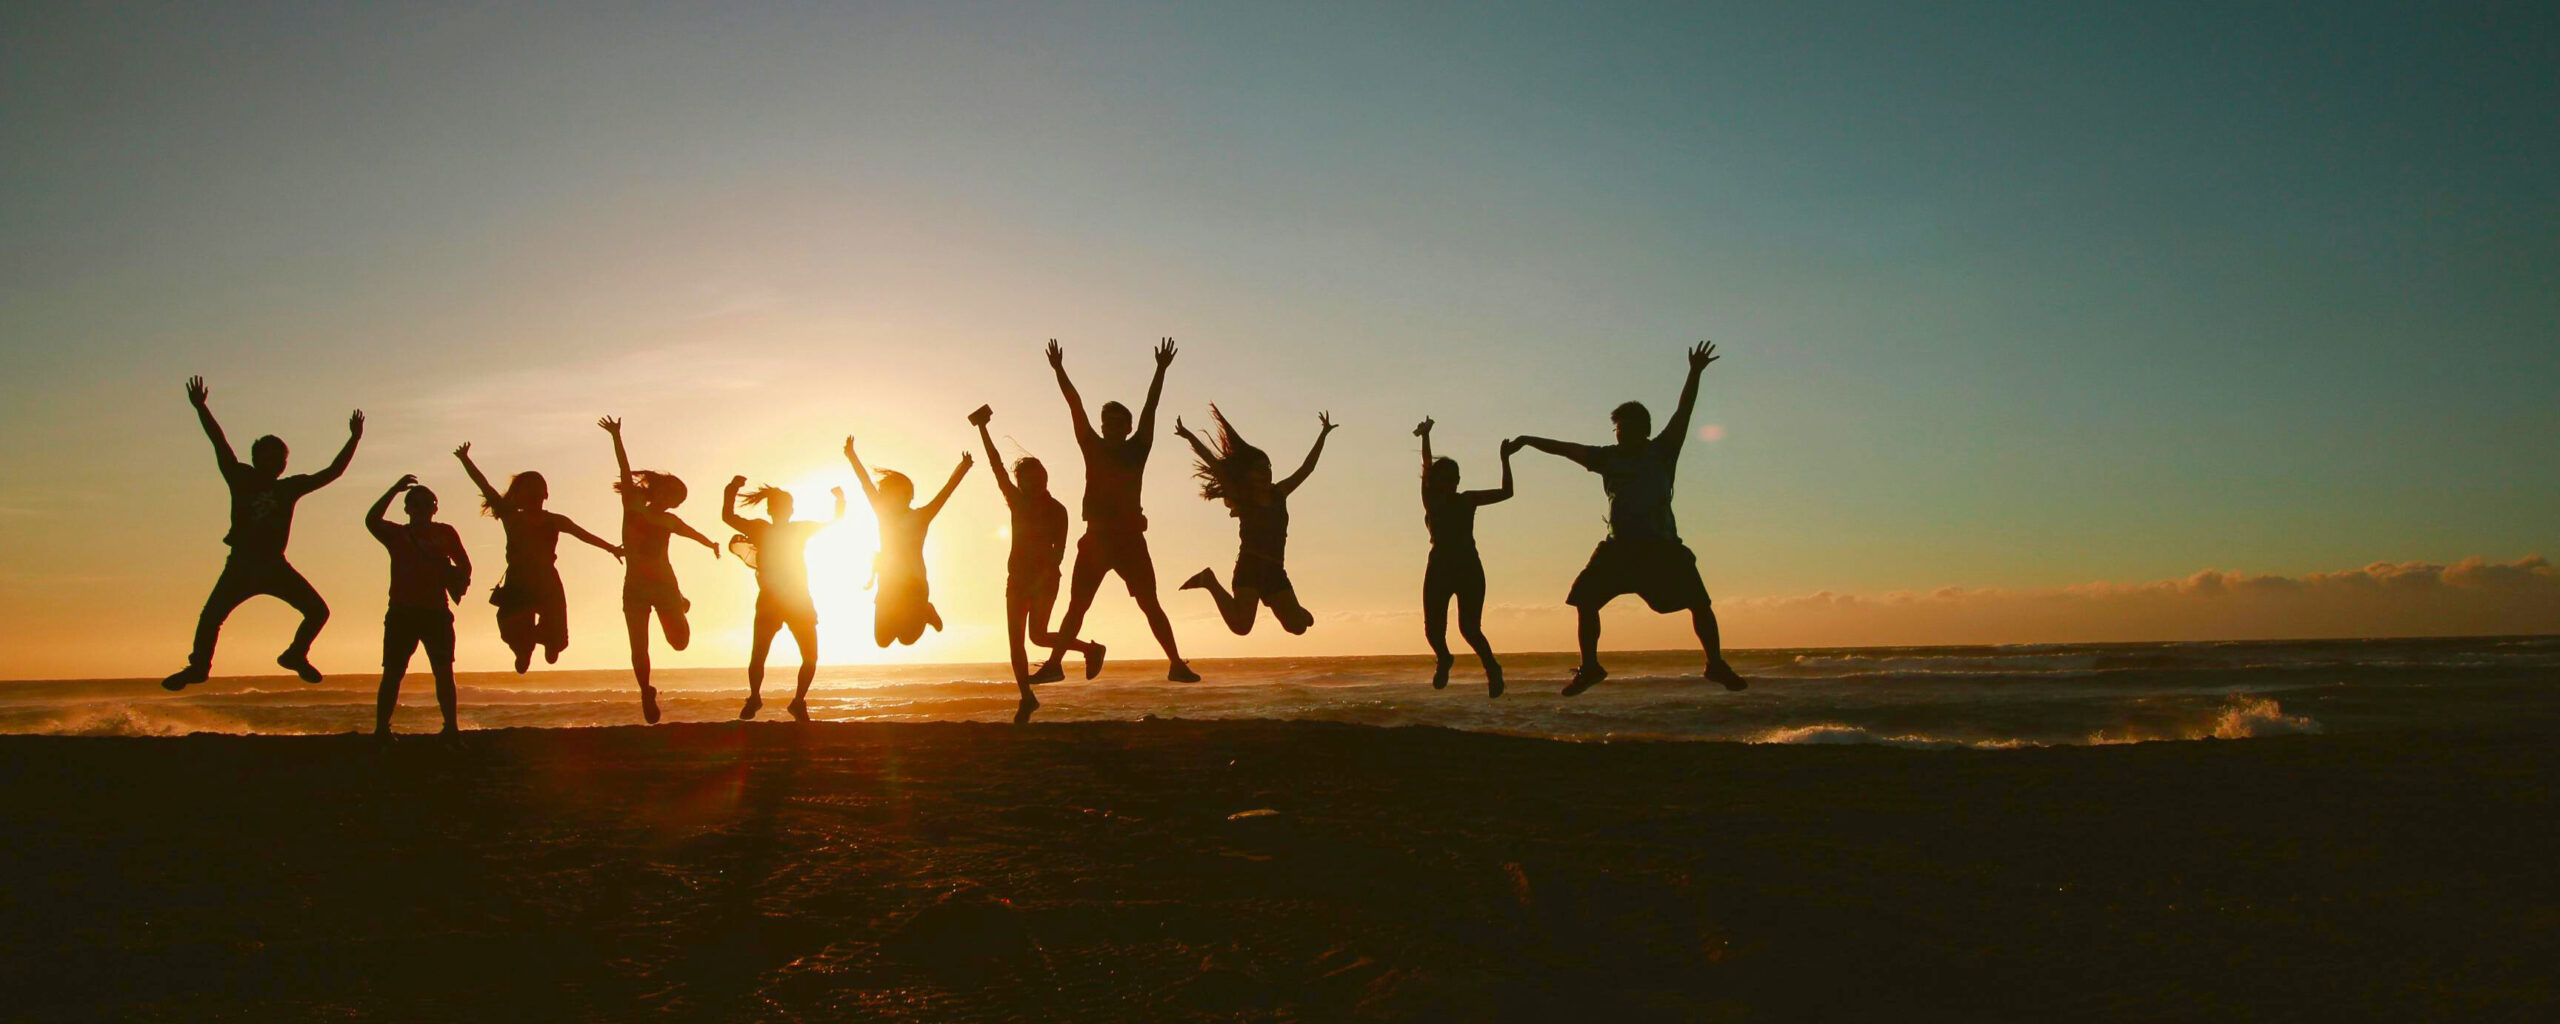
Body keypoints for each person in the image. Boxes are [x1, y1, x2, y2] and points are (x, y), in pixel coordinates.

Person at [1512, 341, 1747, 695]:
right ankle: (1590, 667)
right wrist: (1529, 440)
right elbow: (1565, 448)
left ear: (1642, 429)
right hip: (1619, 549)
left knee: (1699, 602)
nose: (1619, 433)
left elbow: (1684, 411)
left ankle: (1715, 663)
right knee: (1585, 600)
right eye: (1617, 428)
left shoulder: (1663, 451)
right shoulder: (1607, 457)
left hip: (1661, 547)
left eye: (1623, 427)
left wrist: (1694, 372)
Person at [163, 376, 363, 690]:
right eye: (267, 456)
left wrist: (354, 438)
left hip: (274, 565)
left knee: (317, 611)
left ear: (284, 464)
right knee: (211, 617)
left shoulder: (290, 487)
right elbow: (219, 442)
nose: (274, 462)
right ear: (256, 459)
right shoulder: (240, 476)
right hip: (242, 564)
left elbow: (333, 472)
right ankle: (199, 667)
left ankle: (295, 655)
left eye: (279, 458)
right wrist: (202, 408)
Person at [1033, 339, 1199, 683]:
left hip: (1129, 540)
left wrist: (1160, 369)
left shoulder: (1137, 449)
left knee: (1150, 604)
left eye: (1115, 421)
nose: (1108, 425)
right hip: (1095, 539)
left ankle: (1176, 664)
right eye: (1105, 421)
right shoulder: (1091, 446)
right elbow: (1074, 405)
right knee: (1077, 607)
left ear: (1126, 427)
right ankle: (1054, 665)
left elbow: (1151, 410)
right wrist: (1059, 370)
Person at [971, 405, 1106, 718]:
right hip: (1016, 579)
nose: (1034, 484)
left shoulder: (1058, 510)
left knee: (1038, 636)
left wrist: (1044, 576)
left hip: (1044, 579)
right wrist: (982, 429)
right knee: (1018, 641)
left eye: (1038, 478)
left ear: (1045, 478)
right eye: (1027, 480)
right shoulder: (1017, 503)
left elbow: (1060, 552)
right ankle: (1026, 697)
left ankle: (1090, 649)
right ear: (1022, 483)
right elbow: (996, 467)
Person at [453, 443, 623, 674]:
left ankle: (548, 642)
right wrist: (465, 460)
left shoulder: (554, 520)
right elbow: (484, 485)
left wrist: (611, 548)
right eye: (527, 489)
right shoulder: (512, 517)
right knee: (514, 630)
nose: (533, 493)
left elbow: (584, 535)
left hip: (547, 582)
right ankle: (524, 650)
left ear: (545, 494)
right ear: (519, 495)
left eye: (538, 488)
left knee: (558, 638)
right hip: (518, 581)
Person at [1173, 407, 1336, 636]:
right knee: (1241, 627)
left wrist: (1323, 434)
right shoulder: (1243, 497)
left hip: (1274, 570)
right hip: (1250, 567)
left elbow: (1306, 468)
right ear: (1248, 473)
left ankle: (1296, 611)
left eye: (1268, 467)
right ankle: (1209, 581)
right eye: (1260, 469)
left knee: (1298, 627)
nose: (1266, 472)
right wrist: (1190, 437)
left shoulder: (1280, 493)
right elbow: (1215, 466)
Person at [598, 416, 719, 724]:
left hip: (665, 586)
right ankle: (645, 692)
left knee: (680, 643)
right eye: (670, 495)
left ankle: (680, 602)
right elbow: (625, 471)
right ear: (658, 491)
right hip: (635, 588)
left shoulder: (670, 521)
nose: (672, 503)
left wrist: (711, 545)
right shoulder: (633, 505)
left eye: (676, 500)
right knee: (638, 645)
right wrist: (616, 436)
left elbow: (692, 532)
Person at [723, 477, 843, 722]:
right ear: (773, 510)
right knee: (761, 655)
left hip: (797, 599)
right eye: (783, 507)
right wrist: (731, 489)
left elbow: (836, 521)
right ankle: (757, 697)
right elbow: (728, 517)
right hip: (774, 599)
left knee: (808, 656)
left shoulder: (793, 529)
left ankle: (796, 703)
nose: (785, 510)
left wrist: (840, 500)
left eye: (787, 507)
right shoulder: (762, 528)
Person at [1414, 418, 1516, 697]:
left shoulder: (1467, 499)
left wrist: (1504, 459)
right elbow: (1425, 467)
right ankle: (1444, 658)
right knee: (1433, 631)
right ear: (1436, 481)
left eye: (1453, 478)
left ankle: (1492, 669)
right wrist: (1425, 436)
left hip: (1468, 568)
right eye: (1443, 478)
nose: (1449, 483)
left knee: (1469, 629)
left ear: (1458, 481)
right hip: (1439, 568)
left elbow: (1507, 492)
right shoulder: (1430, 499)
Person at [364, 474, 470, 735]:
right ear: (408, 509)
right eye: (416, 504)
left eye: (427, 504)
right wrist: (394, 489)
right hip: (403, 612)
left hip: (436, 612)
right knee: (393, 673)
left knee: (444, 673)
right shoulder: (397, 534)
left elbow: (465, 564)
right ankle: (381, 730)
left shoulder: (446, 532)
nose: (422, 509)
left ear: (435, 508)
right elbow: (371, 520)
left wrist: (456, 579)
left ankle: (451, 729)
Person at [842, 436, 971, 648]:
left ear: (909, 496)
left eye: (898, 494)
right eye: (887, 494)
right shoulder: (883, 514)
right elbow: (865, 484)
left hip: (914, 586)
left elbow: (945, 492)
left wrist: (963, 468)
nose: (891, 499)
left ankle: (925, 611)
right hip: (889, 584)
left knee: (907, 638)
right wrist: (851, 455)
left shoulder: (921, 516)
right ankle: (920, 612)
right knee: (883, 640)